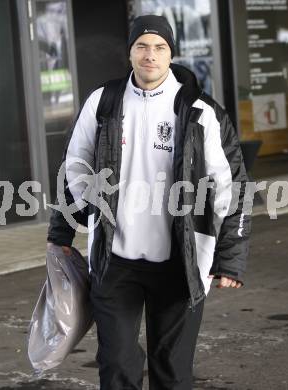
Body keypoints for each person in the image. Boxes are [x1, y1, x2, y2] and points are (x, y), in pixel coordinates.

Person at [47, 15, 251, 390]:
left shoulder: (200, 110)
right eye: (141, 46)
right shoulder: (104, 102)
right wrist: (62, 229)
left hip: (182, 262)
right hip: (115, 261)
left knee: (172, 373)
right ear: (129, 53)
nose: (150, 55)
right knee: (116, 367)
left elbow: (232, 186)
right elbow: (72, 166)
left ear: (171, 54)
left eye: (159, 47)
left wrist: (229, 258)